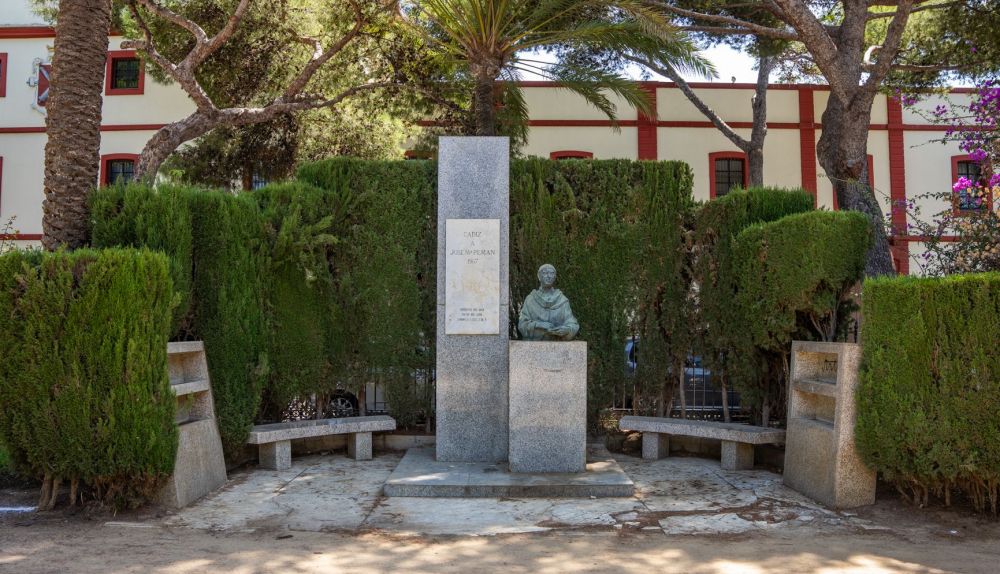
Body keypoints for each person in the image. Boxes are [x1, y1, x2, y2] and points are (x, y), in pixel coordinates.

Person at [517, 264, 580, 341]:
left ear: (555, 277)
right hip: (534, 346)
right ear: (539, 276)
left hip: (557, 345)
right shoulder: (530, 299)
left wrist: (567, 330)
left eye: (552, 273)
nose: (548, 276)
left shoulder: (562, 300)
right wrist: (539, 325)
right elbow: (522, 325)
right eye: (545, 273)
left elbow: (573, 324)